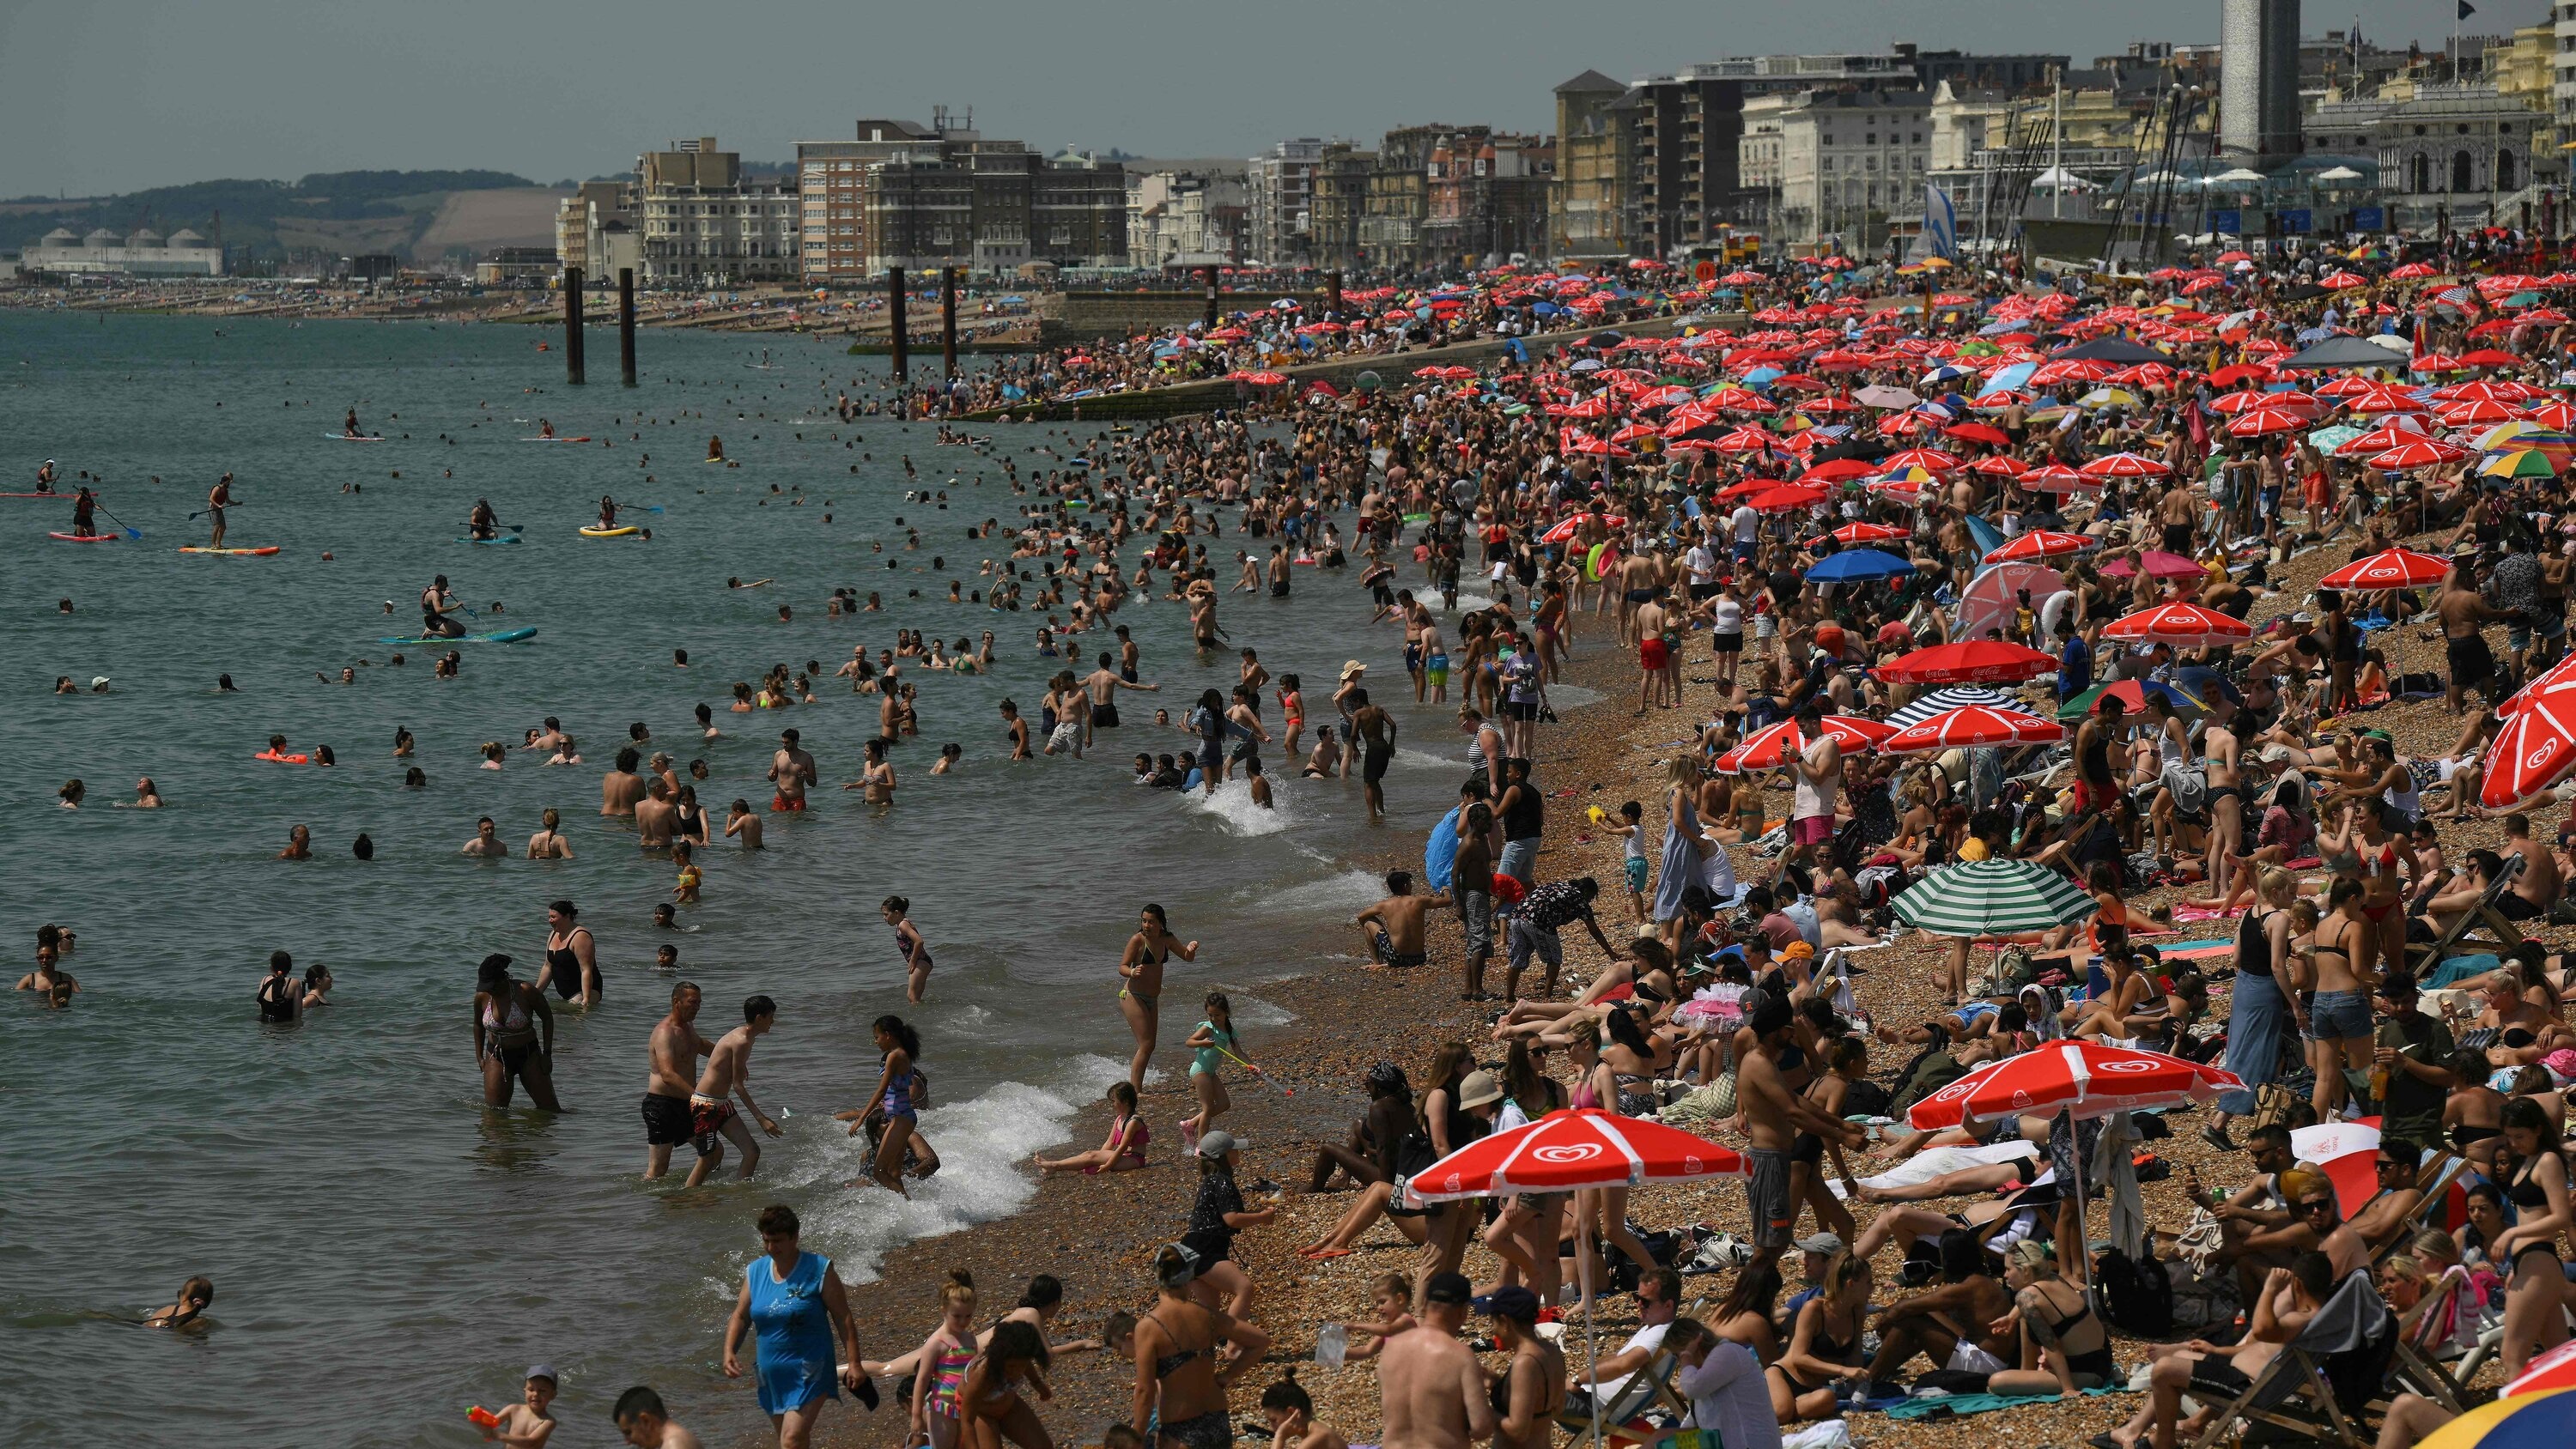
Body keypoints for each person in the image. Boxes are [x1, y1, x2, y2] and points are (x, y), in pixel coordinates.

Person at [722, 1203, 874, 1449]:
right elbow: (741, 1316)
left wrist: (855, 1363)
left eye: (778, 1241)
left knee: (791, 1439)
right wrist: (729, 1351)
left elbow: (842, 1317)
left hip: (811, 1366)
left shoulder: (819, 1269)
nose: (772, 1248)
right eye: (766, 1241)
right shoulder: (756, 1272)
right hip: (770, 1372)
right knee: (791, 1440)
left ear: (795, 1237)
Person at [1131, 1243, 1273, 1449]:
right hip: (1217, 1421)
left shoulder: (1149, 1327)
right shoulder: (1208, 1317)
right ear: (1190, 1276)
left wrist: (1137, 1439)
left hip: (1181, 1428)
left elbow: (1145, 1390)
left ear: (1158, 1274)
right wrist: (1227, 1376)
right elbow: (1260, 1341)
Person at [1376, 1271, 1495, 1449]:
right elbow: (1480, 1428)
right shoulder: (1460, 1356)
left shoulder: (1391, 1349)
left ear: (1424, 1305)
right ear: (1463, 1312)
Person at [1984, 1241, 2118, 1398]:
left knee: (1996, 1381)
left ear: (2026, 1271)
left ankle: (2027, 1377)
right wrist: (2011, 1318)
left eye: (2008, 1269)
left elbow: (2052, 1345)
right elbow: (2028, 1301)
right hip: (2103, 1361)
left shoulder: (2027, 1297)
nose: (2005, 1275)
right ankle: (2025, 1373)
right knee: (2026, 1314)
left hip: (2088, 1374)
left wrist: (2067, 1388)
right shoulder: (2054, 1279)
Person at [686, 996, 782, 1188]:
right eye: (771, 1016)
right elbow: (738, 1086)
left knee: (752, 1152)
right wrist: (761, 1119)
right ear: (759, 1018)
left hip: (722, 1103)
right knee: (707, 1159)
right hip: (705, 1105)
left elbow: (722, 1056)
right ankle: (686, 1201)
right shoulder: (742, 1041)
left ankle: (739, 1194)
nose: (773, 1021)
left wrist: (736, 1066)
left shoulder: (746, 1036)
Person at [1117, 905, 1200, 1094]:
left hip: (1152, 998)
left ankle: (1137, 1088)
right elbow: (1122, 966)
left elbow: (1187, 957)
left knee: (1150, 1045)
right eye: (1144, 921)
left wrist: (1192, 948)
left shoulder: (1166, 939)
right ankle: (1136, 1092)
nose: (1147, 925)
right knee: (1146, 1045)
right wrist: (1131, 971)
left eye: (1151, 921)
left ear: (1160, 922)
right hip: (1132, 996)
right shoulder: (1137, 940)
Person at [472, 955, 560, 1111]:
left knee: (550, 1111)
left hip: (529, 1054)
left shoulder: (525, 991)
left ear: (503, 979)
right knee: (494, 1115)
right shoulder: (482, 997)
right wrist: (479, 1057)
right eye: (486, 987)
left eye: (492, 986)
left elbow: (547, 1018)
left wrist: (547, 1054)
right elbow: (478, 1024)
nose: (489, 991)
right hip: (496, 1056)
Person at [644, 982, 713, 1180]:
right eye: (692, 1002)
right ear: (677, 1002)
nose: (697, 1007)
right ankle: (645, 1205)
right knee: (658, 1169)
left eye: (699, 1003)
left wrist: (728, 1055)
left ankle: (692, 1192)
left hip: (686, 1103)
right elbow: (668, 1074)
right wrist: (699, 1097)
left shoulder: (688, 1026)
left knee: (714, 1153)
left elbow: (700, 1045)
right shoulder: (665, 1033)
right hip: (662, 1106)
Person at [856, 1015, 927, 1197]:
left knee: (879, 1172)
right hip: (903, 1117)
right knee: (894, 1173)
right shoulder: (901, 1053)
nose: (875, 1042)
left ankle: (910, 1207)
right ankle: (909, 1210)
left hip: (901, 1119)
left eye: (876, 1037)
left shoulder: (895, 1056)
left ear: (887, 1035)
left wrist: (860, 1120)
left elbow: (881, 1091)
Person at [907, 1272, 981, 1449]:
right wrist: (916, 1416)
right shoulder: (937, 1343)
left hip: (966, 1408)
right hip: (942, 1409)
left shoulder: (970, 1339)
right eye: (957, 1316)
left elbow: (974, 1374)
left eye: (968, 1316)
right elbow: (922, 1379)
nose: (963, 1321)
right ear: (944, 1310)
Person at [1484, 1286, 1564, 1449]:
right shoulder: (1552, 1352)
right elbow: (1557, 1407)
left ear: (1505, 1321)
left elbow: (1518, 1430)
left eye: (1493, 1322)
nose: (1493, 1331)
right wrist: (1498, 1384)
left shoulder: (1525, 1362)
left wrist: (1480, 1409)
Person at [1035, 1081, 1148, 1174]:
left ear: (1126, 1101)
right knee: (1088, 1156)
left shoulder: (1133, 1121)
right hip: (1123, 1156)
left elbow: (1122, 1147)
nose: (1112, 1105)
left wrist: (1107, 1166)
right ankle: (1053, 1167)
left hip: (1134, 1159)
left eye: (1114, 1101)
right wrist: (1097, 1157)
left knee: (1091, 1157)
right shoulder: (1120, 1118)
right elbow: (1109, 1143)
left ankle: (1054, 1165)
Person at [1357, 870, 1449, 969]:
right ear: (1406, 886)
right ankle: (1383, 964)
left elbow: (1361, 917)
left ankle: (1377, 962)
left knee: (1368, 922)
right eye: (1410, 884)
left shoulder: (1385, 905)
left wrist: (1380, 936)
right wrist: (1446, 890)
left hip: (1395, 958)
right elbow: (1448, 901)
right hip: (1419, 958)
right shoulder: (1420, 901)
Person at [538, 900, 602, 1008]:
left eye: (553, 917)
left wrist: (586, 999)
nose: (550, 920)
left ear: (567, 916)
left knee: (573, 1009)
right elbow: (548, 967)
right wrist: (537, 992)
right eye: (549, 917)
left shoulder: (580, 936)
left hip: (586, 990)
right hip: (567, 992)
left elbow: (586, 970)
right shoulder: (553, 934)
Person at [477, 1366, 558, 1449]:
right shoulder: (513, 1409)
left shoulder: (548, 1422)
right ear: (525, 1391)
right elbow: (490, 1423)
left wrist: (499, 1436)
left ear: (553, 1395)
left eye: (542, 1391)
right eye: (531, 1389)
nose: (536, 1394)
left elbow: (531, 1442)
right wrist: (478, 1417)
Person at [1261, 1374, 1346, 1449]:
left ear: (1291, 1412)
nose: (1271, 1427)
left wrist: (1280, 1436)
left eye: (1273, 1420)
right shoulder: (1314, 1430)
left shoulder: (1318, 1436)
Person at [612, 1387, 703, 1449]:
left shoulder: (675, 1445)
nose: (628, 1442)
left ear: (646, 1421)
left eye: (628, 1432)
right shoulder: (678, 1439)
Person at [884, 896, 935, 1003]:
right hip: (923, 962)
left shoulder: (903, 925)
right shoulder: (902, 924)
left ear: (896, 913)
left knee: (911, 996)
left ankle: (920, 1017)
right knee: (916, 998)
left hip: (920, 962)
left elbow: (919, 941)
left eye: (886, 914)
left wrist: (912, 961)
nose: (884, 918)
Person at [141, 1276, 214, 1330]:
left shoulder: (167, 1309)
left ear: (182, 1296)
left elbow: (149, 1324)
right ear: (206, 1303)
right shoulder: (199, 1321)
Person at [256, 950, 301, 1023]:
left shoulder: (265, 980)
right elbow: (297, 1015)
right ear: (290, 967)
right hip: (285, 1028)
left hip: (265, 1028)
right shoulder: (294, 983)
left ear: (271, 967)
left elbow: (261, 1007)